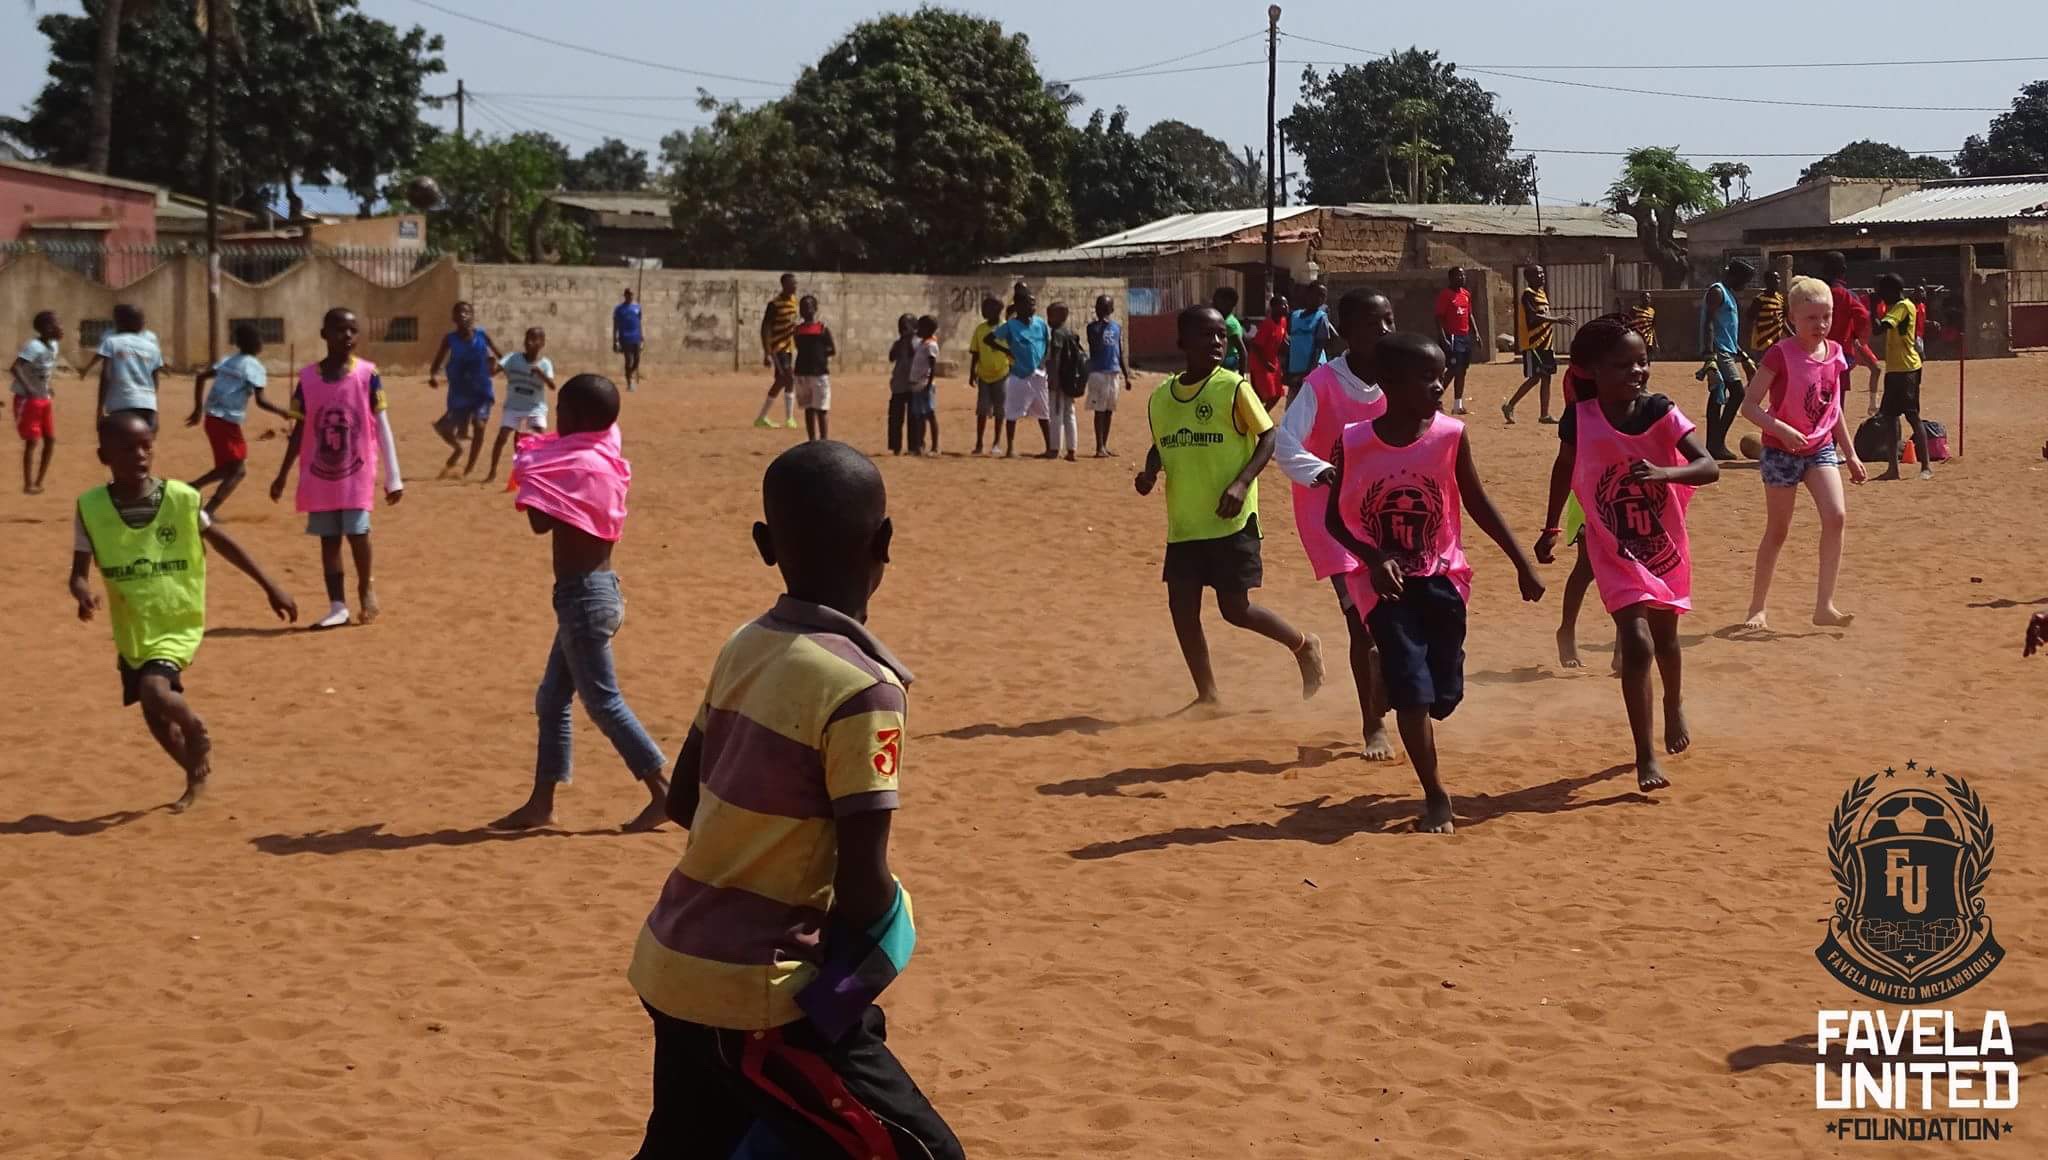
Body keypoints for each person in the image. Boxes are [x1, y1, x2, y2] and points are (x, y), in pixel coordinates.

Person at [626, 440, 963, 1160]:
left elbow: (683, 801)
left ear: (764, 544)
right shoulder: (864, 689)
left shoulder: (745, 644)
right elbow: (864, 885)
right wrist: (885, 941)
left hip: (673, 961)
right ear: (885, 540)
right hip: (759, 996)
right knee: (925, 1153)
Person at [1324, 333, 1545, 834]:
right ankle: (1436, 795)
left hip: (1443, 577)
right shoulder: (1354, 441)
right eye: (1426, 377)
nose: (1439, 385)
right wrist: (1373, 558)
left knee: (1444, 694)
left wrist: (1521, 562)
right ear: (1388, 383)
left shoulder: (1450, 435)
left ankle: (1389, 677)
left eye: (1441, 375)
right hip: (1383, 585)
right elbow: (1334, 519)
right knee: (1414, 693)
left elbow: (1477, 501)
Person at [70, 412, 297, 812]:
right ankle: (195, 774)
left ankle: (196, 729)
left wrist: (269, 585)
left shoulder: (179, 499)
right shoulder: (91, 508)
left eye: (146, 446)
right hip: (133, 626)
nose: (140, 455)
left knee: (155, 690)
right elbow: (77, 574)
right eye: (128, 449)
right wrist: (84, 593)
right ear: (105, 456)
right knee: (155, 717)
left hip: (176, 618)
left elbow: (222, 541)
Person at [1535, 318, 1719, 793]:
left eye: (1642, 362)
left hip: (1662, 545)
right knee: (1636, 642)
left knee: (1666, 639)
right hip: (1611, 545)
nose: (1637, 371)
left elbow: (1708, 466)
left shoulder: (1660, 411)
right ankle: (1645, 754)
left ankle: (1673, 702)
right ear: (1593, 370)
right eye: (1623, 365)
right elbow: (1564, 468)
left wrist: (1665, 473)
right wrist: (1552, 527)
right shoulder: (1579, 417)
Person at [490, 374, 670, 834]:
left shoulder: (578, 464)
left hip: (583, 600)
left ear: (579, 418)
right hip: (594, 593)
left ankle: (665, 791)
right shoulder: (601, 454)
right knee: (552, 699)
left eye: (563, 412)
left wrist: (533, 467)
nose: (557, 419)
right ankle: (541, 803)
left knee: (604, 702)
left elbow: (539, 523)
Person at [1136, 305, 1325, 708]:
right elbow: (1163, 443)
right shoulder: (1161, 398)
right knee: (1182, 608)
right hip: (1185, 522)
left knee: (1235, 609)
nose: (1217, 341)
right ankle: (1207, 695)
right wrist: (1150, 472)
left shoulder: (1233, 387)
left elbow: (1268, 437)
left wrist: (1241, 483)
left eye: (1221, 334)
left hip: (1232, 521)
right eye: (1206, 334)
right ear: (1182, 342)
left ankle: (1303, 644)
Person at [1275, 289, 1398, 762]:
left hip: (1385, 514)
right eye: (1371, 323)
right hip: (1332, 519)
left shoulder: (1399, 377)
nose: (1383, 330)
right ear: (1345, 333)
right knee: (1360, 621)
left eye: (1388, 320)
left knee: (1391, 615)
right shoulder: (1322, 383)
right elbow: (1287, 442)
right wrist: (1323, 471)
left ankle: (1394, 687)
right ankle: (1373, 726)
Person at [1739, 276, 1866, 632]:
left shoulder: (1836, 353)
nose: (1820, 325)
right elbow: (1749, 406)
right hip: (1781, 453)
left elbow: (1833, 409)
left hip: (1820, 449)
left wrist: (1851, 454)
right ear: (1793, 317)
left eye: (1826, 317)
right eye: (1811, 318)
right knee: (1778, 530)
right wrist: (1780, 429)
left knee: (1836, 516)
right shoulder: (1779, 354)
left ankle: (1825, 606)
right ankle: (1757, 608)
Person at [268, 307, 404, 630]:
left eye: (353, 330)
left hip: (357, 473)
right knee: (328, 539)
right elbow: (299, 431)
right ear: (324, 334)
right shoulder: (307, 379)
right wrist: (282, 474)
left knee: (358, 533)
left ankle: (365, 587)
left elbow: (382, 425)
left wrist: (394, 477)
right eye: (340, 330)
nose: (348, 336)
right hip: (320, 474)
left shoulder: (368, 375)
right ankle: (337, 606)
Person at [186, 321, 289, 515]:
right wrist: (282, 411)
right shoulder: (255, 367)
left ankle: (193, 487)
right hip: (226, 421)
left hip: (212, 419)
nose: (261, 343)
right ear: (255, 344)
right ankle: (207, 511)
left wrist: (198, 410)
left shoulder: (227, 361)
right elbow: (261, 401)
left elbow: (200, 377)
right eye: (260, 339)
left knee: (229, 468)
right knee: (238, 471)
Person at [426, 300, 501, 478]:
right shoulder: (450, 339)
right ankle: (458, 449)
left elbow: (502, 357)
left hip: (481, 392)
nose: (463, 315)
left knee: (479, 425)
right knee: (444, 429)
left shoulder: (482, 335)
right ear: (453, 318)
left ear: (472, 316)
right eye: (459, 312)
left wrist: (496, 368)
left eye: (467, 312)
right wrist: (433, 376)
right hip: (459, 393)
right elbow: (436, 362)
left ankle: (468, 468)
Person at [1873, 273, 1932, 481]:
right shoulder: (1895, 307)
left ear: (1894, 291)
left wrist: (1872, 307)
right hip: (1894, 370)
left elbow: (1880, 328)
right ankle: (1893, 469)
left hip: (1907, 369)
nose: (1882, 296)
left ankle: (1926, 466)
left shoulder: (1903, 306)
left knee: (1912, 416)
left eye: (1883, 292)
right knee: (1890, 418)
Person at [1697, 259, 1754, 460]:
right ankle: (1717, 442)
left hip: (1728, 350)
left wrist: (1741, 353)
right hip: (1718, 351)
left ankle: (1713, 444)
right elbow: (1709, 323)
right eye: (1744, 281)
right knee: (1737, 393)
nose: (1744, 286)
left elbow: (1727, 330)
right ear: (1735, 276)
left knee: (1717, 394)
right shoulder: (1717, 291)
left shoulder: (1728, 294)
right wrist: (1709, 354)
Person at [485, 326, 556, 483]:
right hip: (513, 407)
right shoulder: (513, 358)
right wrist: (490, 364)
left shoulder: (545, 364)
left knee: (538, 439)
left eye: (535, 339)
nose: (530, 342)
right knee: (502, 436)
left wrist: (541, 374)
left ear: (542, 343)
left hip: (535, 408)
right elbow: (493, 372)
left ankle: (537, 472)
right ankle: (492, 472)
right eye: (527, 338)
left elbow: (552, 386)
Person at [989, 289, 1052, 459]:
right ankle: (1010, 448)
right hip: (1019, 375)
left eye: (1034, 304)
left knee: (1044, 413)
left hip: (1039, 375)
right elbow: (989, 339)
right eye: (1028, 304)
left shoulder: (1040, 323)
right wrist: (1006, 351)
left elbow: (1047, 343)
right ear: (1018, 306)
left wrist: (1044, 360)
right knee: (1012, 412)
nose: (1033, 307)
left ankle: (1050, 448)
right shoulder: (1010, 326)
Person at [1502, 265, 1568, 424]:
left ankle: (1544, 415)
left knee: (1547, 377)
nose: (1542, 275)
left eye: (1542, 273)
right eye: (1538, 273)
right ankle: (1510, 405)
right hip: (1533, 344)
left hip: (1546, 344)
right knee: (1535, 378)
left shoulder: (1542, 294)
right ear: (1529, 277)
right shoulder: (1528, 295)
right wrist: (1556, 319)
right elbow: (1533, 317)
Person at [83, 303, 163, 429]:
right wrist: (152, 404)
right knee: (145, 439)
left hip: (120, 403)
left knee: (119, 439)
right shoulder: (152, 347)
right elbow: (155, 380)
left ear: (118, 323)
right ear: (141, 324)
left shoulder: (112, 342)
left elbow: (106, 375)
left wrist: (99, 407)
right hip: (147, 405)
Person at [1820, 251, 1882, 415]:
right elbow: (1864, 318)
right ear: (1844, 270)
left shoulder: (1816, 293)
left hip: (1815, 353)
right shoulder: (1847, 295)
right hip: (1839, 353)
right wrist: (1857, 339)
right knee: (1837, 400)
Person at [13, 309, 64, 495]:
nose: (61, 327)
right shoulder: (33, 347)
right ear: (46, 328)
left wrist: (47, 386)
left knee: (50, 439)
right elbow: (16, 367)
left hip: (44, 398)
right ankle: (28, 484)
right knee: (32, 441)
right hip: (28, 400)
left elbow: (45, 370)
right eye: (57, 324)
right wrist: (29, 388)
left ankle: (39, 482)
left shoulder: (54, 345)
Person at [1085, 294, 1134, 457]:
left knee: (1109, 410)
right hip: (1098, 373)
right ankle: (1099, 447)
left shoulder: (1116, 327)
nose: (1103, 310)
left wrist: (1126, 375)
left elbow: (1119, 352)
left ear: (1111, 309)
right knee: (1099, 410)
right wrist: (1101, 325)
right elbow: (1094, 346)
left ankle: (1105, 445)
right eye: (1100, 307)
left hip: (1113, 373)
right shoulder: (1092, 328)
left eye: (1106, 307)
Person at [754, 273, 801, 429]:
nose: (795, 286)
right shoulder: (774, 304)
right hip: (777, 348)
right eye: (792, 284)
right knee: (788, 378)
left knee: (782, 380)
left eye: (796, 284)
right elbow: (765, 328)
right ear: (784, 285)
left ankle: (762, 418)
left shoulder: (794, 301)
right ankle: (789, 419)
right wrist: (767, 352)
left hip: (789, 348)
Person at [1045, 301, 1087, 462]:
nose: (1048, 319)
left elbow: (1055, 357)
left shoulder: (1057, 333)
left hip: (1059, 380)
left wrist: (1053, 378)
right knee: (1069, 414)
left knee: (1056, 414)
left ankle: (1054, 449)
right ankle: (1071, 450)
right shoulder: (1071, 333)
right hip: (1070, 380)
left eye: (1050, 315)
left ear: (1060, 316)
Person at [967, 295, 1009, 456]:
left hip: (1002, 374)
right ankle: (979, 443)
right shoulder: (980, 329)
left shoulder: (1006, 328)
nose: (983, 311)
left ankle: (996, 442)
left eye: (987, 308)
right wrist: (972, 373)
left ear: (997, 310)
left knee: (1000, 410)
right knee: (982, 410)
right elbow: (975, 352)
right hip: (984, 375)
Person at [792, 294, 836, 442]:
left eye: (809, 307)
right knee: (808, 408)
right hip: (802, 374)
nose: (806, 310)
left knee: (821, 409)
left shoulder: (822, 329)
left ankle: (823, 440)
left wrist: (820, 356)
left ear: (815, 309)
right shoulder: (797, 330)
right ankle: (812, 440)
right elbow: (798, 346)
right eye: (803, 307)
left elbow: (832, 349)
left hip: (819, 374)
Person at [1284, 282, 1336, 402]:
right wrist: (1286, 369)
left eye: (1323, 296)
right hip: (1294, 369)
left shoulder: (1321, 317)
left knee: (1311, 405)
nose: (1319, 298)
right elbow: (1290, 345)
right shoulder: (1294, 316)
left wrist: (1309, 373)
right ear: (1308, 294)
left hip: (1313, 370)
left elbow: (1319, 347)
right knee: (1293, 406)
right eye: (1317, 294)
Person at [1434, 268, 1475, 415]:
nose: (1462, 277)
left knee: (1462, 370)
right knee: (1452, 369)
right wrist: (1443, 337)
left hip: (1465, 337)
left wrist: (1476, 333)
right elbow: (1439, 317)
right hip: (1452, 336)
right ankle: (1434, 398)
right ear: (1451, 278)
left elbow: (1470, 315)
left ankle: (1458, 405)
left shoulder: (1466, 294)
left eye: (1463, 275)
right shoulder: (1445, 295)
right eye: (1459, 275)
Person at [1245, 293, 1289, 412]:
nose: (1286, 307)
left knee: (1278, 393)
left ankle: (1262, 416)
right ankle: (1255, 417)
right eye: (1283, 305)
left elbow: (1284, 339)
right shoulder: (1267, 324)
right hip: (1261, 364)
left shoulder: (1283, 321)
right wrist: (1266, 363)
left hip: (1273, 362)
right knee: (1265, 395)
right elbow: (1256, 346)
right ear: (1274, 307)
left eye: (1287, 304)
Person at [886, 313, 918, 456]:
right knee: (895, 417)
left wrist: (910, 340)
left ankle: (914, 446)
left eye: (906, 326)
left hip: (913, 385)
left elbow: (915, 354)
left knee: (914, 417)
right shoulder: (898, 343)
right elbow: (891, 357)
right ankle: (895, 446)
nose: (903, 329)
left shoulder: (917, 343)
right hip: (899, 384)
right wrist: (900, 343)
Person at [909, 315, 940, 455]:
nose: (917, 330)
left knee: (930, 415)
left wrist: (928, 383)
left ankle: (935, 447)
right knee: (919, 416)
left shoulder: (931, 345)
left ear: (927, 329)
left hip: (925, 385)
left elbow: (932, 366)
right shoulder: (922, 343)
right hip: (917, 385)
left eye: (920, 328)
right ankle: (920, 445)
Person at [1747, 269, 1788, 354]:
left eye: (1778, 278)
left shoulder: (1780, 299)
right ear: (1767, 281)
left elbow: (1783, 322)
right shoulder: (1759, 300)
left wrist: (1794, 336)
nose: (1777, 281)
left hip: (1776, 345)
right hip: (1762, 345)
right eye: (1774, 279)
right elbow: (1749, 320)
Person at [613, 287, 643, 392]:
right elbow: (615, 325)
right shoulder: (619, 309)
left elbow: (639, 323)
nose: (631, 296)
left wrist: (642, 337)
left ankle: (630, 374)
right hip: (625, 337)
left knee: (637, 360)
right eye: (629, 294)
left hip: (636, 337)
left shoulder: (637, 307)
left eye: (632, 294)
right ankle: (629, 382)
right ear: (625, 295)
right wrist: (615, 340)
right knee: (628, 361)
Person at [1215, 285, 1247, 372]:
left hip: (1228, 360)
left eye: (1217, 302)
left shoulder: (1229, 323)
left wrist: (1241, 375)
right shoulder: (1229, 319)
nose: (1214, 304)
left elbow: (1242, 351)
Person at [1625, 291, 1658, 359]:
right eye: (1645, 297)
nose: (1647, 299)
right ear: (1641, 299)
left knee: (1647, 359)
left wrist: (1656, 342)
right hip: (1638, 339)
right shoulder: (1635, 309)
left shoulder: (1652, 311)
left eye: (1649, 298)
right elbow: (1628, 323)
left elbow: (1652, 327)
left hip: (1649, 340)